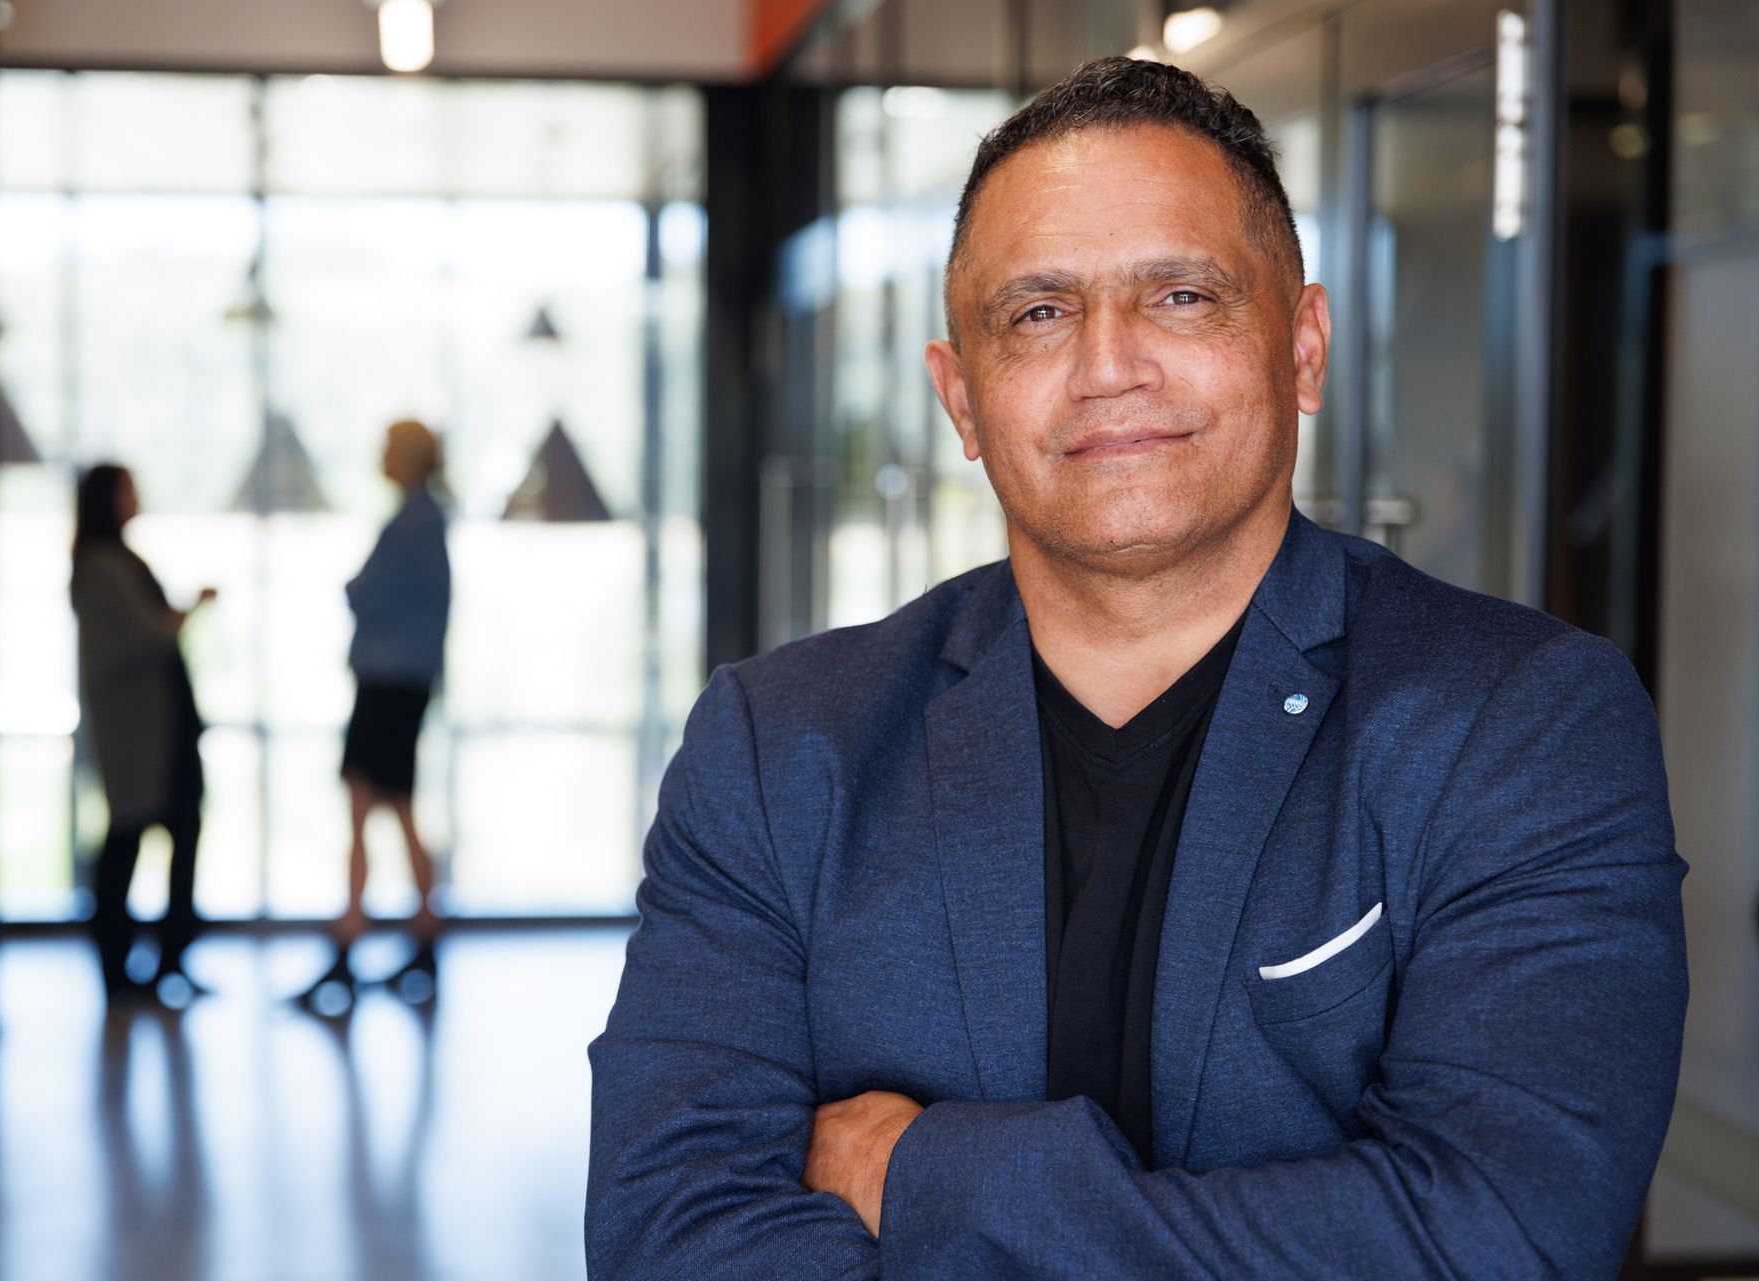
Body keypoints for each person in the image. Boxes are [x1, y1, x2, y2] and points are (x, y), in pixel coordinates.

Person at [587, 58, 1687, 1278]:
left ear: (1304, 348)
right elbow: (669, 1236)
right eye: (1040, 313)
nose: (1109, 365)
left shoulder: (1522, 722)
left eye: (1180, 297)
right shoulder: (780, 745)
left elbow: (1495, 1238)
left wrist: (921, 1176)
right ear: (961, 396)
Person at [301, 419, 451, 1007]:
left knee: (373, 805)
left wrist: (360, 589)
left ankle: (360, 938)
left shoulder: (417, 523)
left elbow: (368, 593)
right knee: (384, 807)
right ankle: (402, 933)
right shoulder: (419, 520)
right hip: (396, 684)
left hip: (391, 685)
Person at [70, 463, 214, 1006]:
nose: (138, 497)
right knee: (127, 841)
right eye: (129, 489)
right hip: (140, 731)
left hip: (162, 724)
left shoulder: (112, 560)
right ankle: (120, 966)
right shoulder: (101, 565)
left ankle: (166, 960)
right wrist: (188, 612)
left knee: (171, 832)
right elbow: (144, 637)